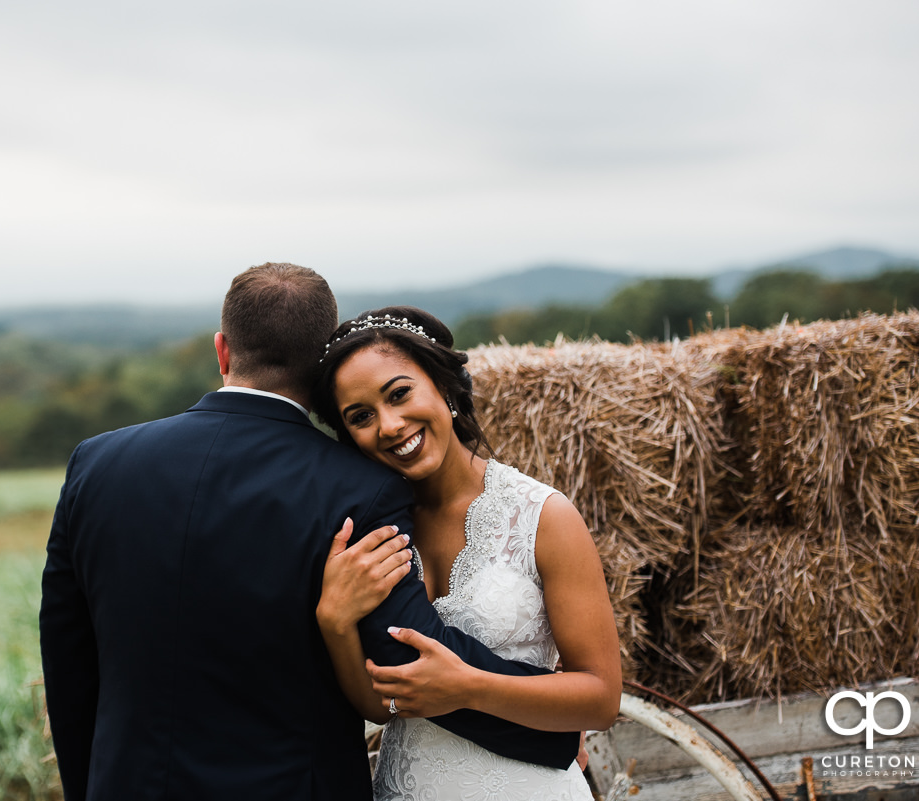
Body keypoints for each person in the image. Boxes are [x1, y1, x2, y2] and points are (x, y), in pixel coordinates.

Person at [39, 265, 580, 801]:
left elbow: (68, 660)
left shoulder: (96, 464)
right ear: (323, 366)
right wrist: (551, 726)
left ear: (223, 350)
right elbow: (404, 653)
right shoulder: (358, 488)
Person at [313, 306, 622, 800]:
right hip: (405, 786)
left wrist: (470, 686)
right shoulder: (370, 533)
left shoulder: (543, 516)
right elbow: (379, 704)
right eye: (361, 417)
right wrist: (334, 621)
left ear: (444, 388)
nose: (390, 425)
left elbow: (601, 700)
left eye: (399, 394)